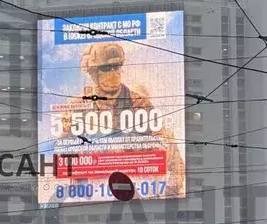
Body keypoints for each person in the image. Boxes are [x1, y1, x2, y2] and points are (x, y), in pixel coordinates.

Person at [64, 42, 186, 195]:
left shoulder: (139, 102)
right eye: (107, 68)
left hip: (137, 189)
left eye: (117, 67)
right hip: (97, 191)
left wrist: (170, 193)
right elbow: (66, 153)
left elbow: (168, 149)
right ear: (93, 72)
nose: (114, 72)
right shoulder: (77, 106)